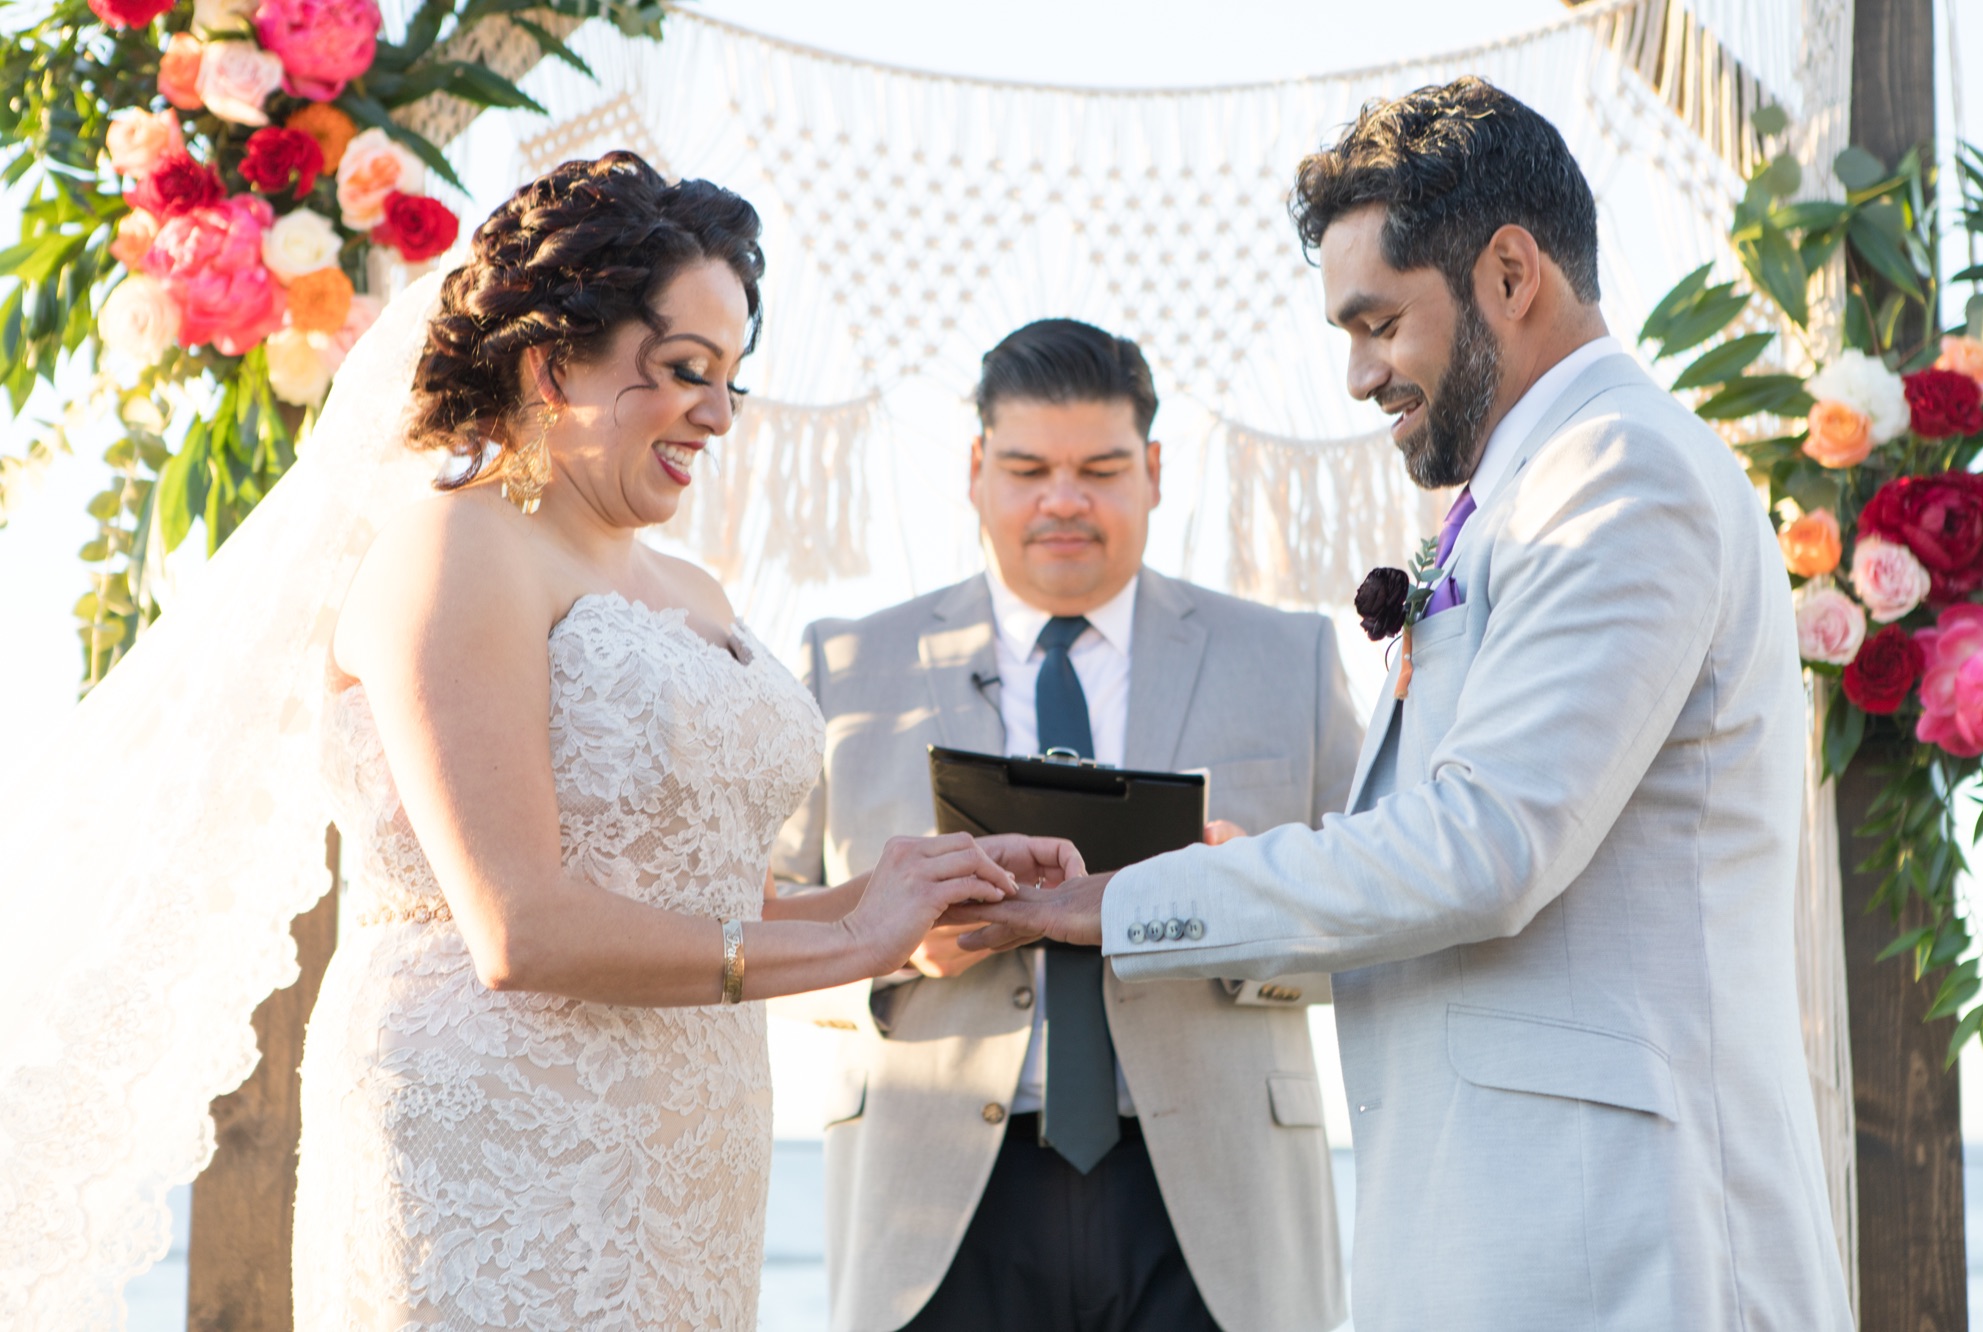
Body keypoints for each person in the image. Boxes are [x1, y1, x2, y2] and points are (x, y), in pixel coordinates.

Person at [956, 80, 1853, 1329]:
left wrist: (1126, 902)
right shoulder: (1521, 489)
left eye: (1376, 322)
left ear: (1505, 272)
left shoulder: (1621, 476)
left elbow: (1483, 850)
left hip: (1615, 1238)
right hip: (1495, 1220)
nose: (1357, 374)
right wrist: (1256, 873)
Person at [290, 153, 1079, 1332]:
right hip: (501, 1137)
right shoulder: (451, 550)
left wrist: (898, 898)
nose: (717, 415)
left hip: (691, 1134)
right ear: (553, 361)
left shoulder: (693, 586)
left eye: (730, 381)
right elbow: (521, 925)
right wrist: (857, 943)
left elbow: (687, 888)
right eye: (682, 372)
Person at [770, 318, 1363, 1332]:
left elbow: (1379, 909)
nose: (1062, 500)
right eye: (1027, 467)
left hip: (1216, 1198)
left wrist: (1241, 906)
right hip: (938, 1198)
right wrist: (895, 946)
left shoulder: (1290, 658)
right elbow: (753, 928)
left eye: (1098, 467)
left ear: (1154, 470)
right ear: (973, 469)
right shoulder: (845, 663)